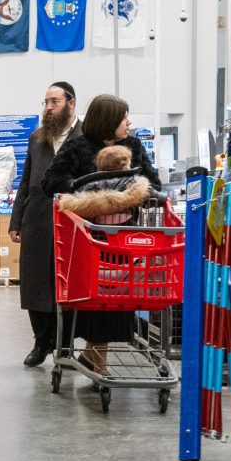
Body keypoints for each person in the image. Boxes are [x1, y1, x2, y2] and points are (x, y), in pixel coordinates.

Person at [42, 94, 161, 372]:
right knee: (95, 293)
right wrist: (86, 189)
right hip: (86, 236)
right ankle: (98, 360)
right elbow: (50, 182)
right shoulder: (77, 147)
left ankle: (95, 357)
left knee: (119, 294)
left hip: (124, 236)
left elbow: (152, 181)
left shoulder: (132, 145)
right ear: (108, 121)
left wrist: (133, 192)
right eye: (124, 117)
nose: (129, 122)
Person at [8, 82, 82, 367]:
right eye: (46, 102)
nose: (49, 108)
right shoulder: (37, 138)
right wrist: (16, 221)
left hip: (74, 221)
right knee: (35, 283)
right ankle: (41, 342)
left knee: (69, 284)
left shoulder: (85, 137)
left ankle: (64, 345)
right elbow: (25, 183)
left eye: (55, 102)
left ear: (71, 103)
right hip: (37, 219)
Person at [56, 144, 152, 225]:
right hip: (126, 229)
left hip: (96, 231)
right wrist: (164, 198)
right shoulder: (132, 182)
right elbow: (154, 195)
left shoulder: (87, 184)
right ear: (124, 165)